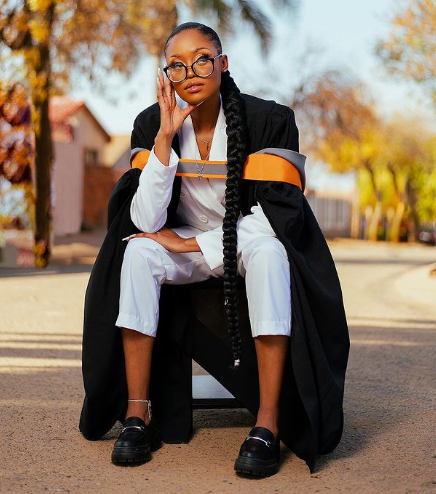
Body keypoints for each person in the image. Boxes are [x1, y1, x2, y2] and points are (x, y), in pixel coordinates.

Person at [79, 21, 350, 477]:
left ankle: (267, 421)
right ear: (168, 75)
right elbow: (145, 221)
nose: (191, 72)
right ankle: (137, 413)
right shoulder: (150, 123)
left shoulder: (269, 120)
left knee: (270, 254)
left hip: (242, 242)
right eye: (177, 65)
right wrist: (165, 138)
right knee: (139, 254)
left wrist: (192, 241)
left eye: (202, 58)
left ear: (222, 64)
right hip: (183, 252)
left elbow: (276, 218)